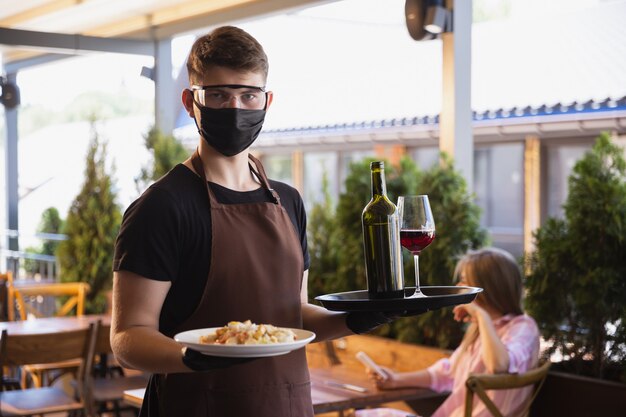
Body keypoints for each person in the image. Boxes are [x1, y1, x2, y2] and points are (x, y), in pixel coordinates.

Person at [110, 25, 398, 417]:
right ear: (190, 101)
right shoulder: (161, 207)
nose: (235, 108)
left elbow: (293, 317)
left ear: (267, 100)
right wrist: (192, 356)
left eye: (248, 95)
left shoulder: (289, 202)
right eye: (218, 95)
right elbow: (128, 337)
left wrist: (357, 318)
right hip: (197, 406)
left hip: (286, 404)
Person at [357, 247, 540, 417]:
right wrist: (395, 380)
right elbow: (447, 373)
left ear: (489, 287)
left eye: (465, 280)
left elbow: (499, 366)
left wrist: (481, 315)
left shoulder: (523, 327)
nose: (460, 285)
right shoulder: (480, 331)